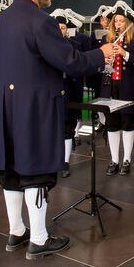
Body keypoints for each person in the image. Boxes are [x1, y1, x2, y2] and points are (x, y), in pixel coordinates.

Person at [0, 0, 113, 259]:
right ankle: (39, 239)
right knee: (36, 172)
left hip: (5, 106)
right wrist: (100, 54)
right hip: (34, 108)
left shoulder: (0, 21)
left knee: (11, 170)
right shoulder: (40, 21)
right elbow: (68, 60)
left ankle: (16, 231)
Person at [100, 1, 134, 176]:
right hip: (110, 87)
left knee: (127, 123)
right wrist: (105, 59)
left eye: (121, 21)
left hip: (128, 87)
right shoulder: (107, 39)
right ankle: (114, 159)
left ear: (127, 23)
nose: (118, 24)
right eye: (116, 21)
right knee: (112, 124)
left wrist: (124, 53)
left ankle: (126, 159)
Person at [51, 9, 87, 177]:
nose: (60, 30)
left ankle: (65, 161)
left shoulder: (75, 46)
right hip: (50, 95)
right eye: (57, 26)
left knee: (67, 129)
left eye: (64, 27)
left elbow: (79, 70)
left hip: (69, 93)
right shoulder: (44, 46)